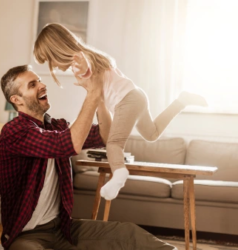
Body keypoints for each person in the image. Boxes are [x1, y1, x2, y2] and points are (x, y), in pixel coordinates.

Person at [0, 65, 176, 249]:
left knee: (129, 235)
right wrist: (92, 93)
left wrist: (99, 98)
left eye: (40, 81)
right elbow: (65, 144)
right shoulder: (14, 131)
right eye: (32, 84)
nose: (42, 85)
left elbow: (105, 135)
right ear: (16, 100)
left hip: (63, 229)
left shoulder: (57, 126)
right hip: (26, 237)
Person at [33, 23, 208, 201]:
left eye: (49, 59)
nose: (52, 66)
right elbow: (96, 88)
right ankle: (181, 102)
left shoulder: (79, 60)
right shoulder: (88, 55)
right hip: (136, 95)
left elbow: (87, 69)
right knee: (152, 133)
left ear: (57, 49)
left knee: (114, 144)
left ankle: (119, 174)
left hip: (127, 100)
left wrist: (82, 69)